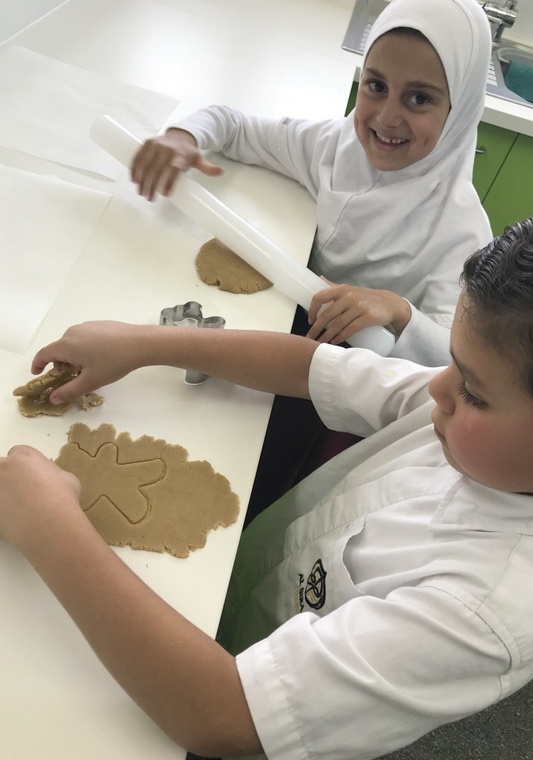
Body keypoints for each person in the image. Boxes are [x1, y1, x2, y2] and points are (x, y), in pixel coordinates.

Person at [2, 218, 533, 760]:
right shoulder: (467, 422)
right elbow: (317, 368)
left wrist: (49, 525)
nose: (435, 385)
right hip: (224, 603)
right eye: (450, 363)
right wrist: (144, 343)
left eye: (473, 390)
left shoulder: (483, 611)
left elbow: (223, 715)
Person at [130, 0, 494, 516]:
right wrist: (185, 136)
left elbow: (459, 366)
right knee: (192, 423)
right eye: (376, 85)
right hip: (279, 329)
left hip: (334, 391)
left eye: (419, 98)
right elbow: (233, 125)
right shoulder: (335, 147)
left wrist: (398, 312)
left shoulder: (460, 234)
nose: (387, 117)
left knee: (245, 491)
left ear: (459, 110)